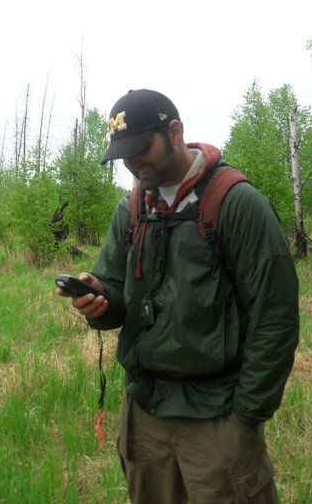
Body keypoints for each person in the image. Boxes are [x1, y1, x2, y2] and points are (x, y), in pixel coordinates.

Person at [57, 89, 299, 504]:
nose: (133, 162)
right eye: (123, 154)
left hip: (217, 417)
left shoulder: (236, 203)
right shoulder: (131, 209)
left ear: (174, 132)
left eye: (140, 148)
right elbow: (115, 291)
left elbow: (275, 321)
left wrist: (244, 419)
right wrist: (98, 302)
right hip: (144, 413)